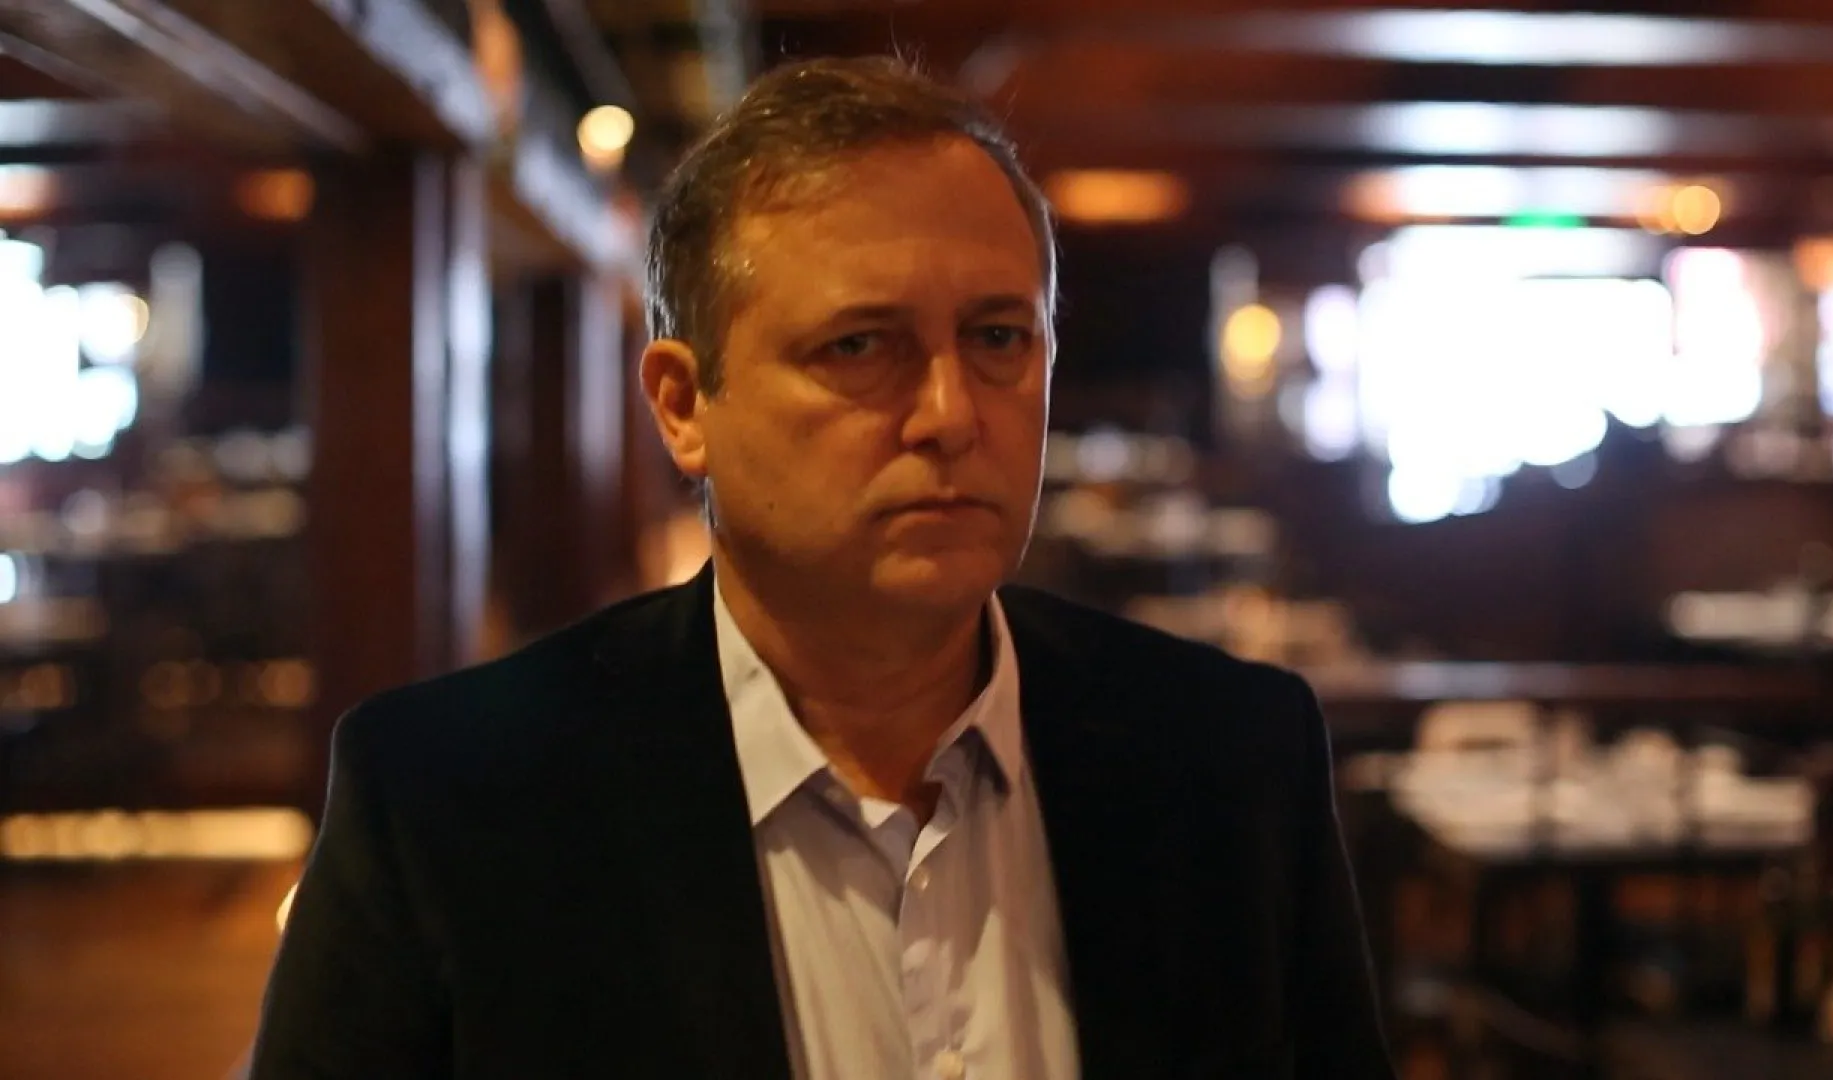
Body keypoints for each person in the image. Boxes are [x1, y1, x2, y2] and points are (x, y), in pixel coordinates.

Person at [251, 56, 1394, 1079]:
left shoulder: (1232, 760)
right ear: (683, 404)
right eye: (860, 346)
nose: (951, 414)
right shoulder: (447, 803)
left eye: (999, 338)